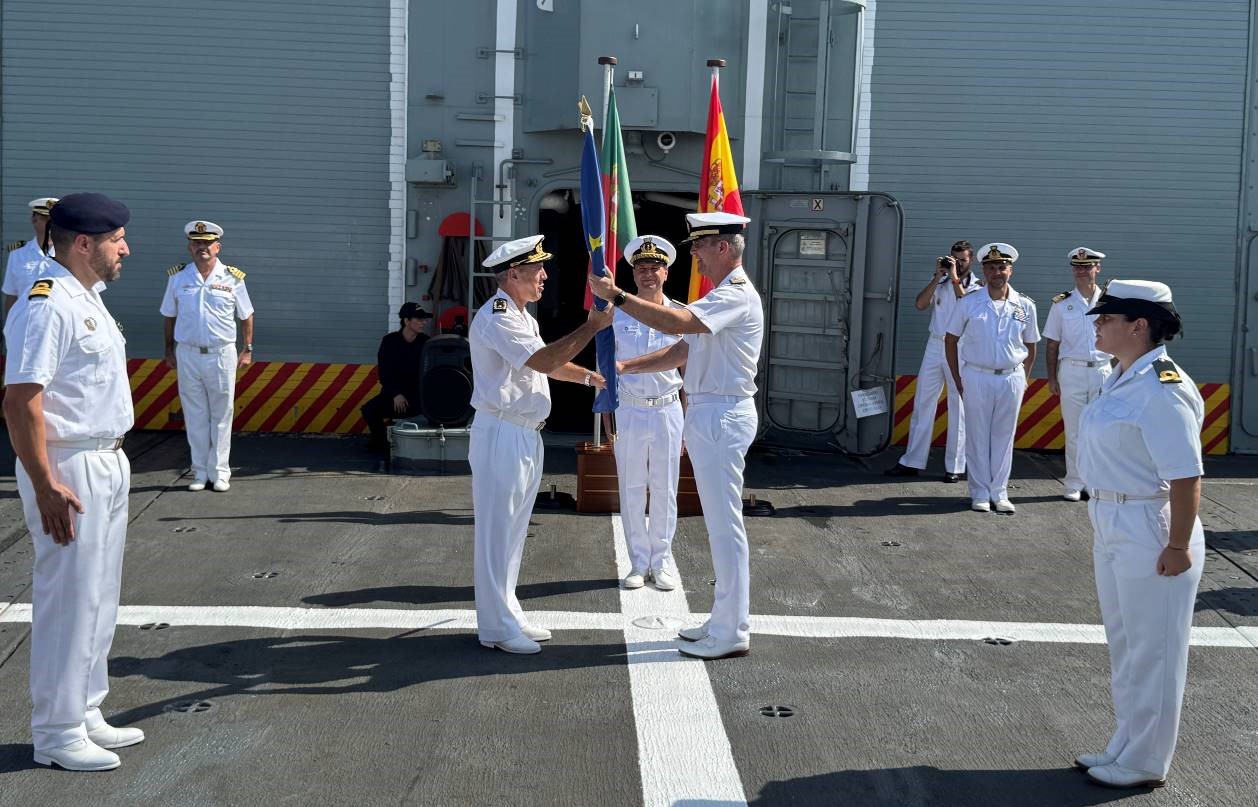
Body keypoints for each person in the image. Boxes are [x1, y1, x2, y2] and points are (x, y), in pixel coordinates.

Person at [2, 192, 142, 772]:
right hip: (68, 465)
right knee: (67, 599)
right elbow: (20, 401)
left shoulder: (87, 298)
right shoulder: (46, 303)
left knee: (99, 596)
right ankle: (56, 732)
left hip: (106, 458)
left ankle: (85, 711)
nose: (125, 249)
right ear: (83, 244)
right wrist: (43, 484)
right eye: (116, 240)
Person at [589, 211, 763, 661]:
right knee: (718, 526)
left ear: (723, 247)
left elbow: (675, 326)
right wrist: (628, 368)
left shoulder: (735, 295)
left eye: (701, 247)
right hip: (709, 413)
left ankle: (733, 630)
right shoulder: (721, 295)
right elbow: (682, 349)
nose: (697, 258)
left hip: (721, 414)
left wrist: (618, 296)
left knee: (725, 529)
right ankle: (723, 619)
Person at [1074, 280, 1203, 789]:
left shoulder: (1163, 388)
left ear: (1139, 325)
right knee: (1127, 645)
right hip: (1112, 521)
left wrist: (1177, 546)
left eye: (1107, 319)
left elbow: (1187, 475)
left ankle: (1147, 760)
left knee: (1156, 651)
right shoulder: (1122, 375)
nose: (1098, 325)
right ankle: (1125, 744)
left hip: (1152, 527)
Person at [470, 234, 609, 655]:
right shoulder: (499, 316)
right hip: (501, 433)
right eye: (538, 269)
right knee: (497, 533)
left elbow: (546, 364)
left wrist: (587, 377)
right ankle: (495, 628)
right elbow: (543, 361)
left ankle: (508, 612)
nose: (545, 276)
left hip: (524, 434)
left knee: (513, 532)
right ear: (514, 273)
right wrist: (591, 326)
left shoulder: (522, 316)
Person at [612, 235, 685, 592]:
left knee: (665, 488)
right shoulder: (617, 314)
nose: (648, 274)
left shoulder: (680, 315)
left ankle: (662, 560)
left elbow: (689, 373)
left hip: (668, 410)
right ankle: (638, 563)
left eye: (655, 268)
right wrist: (610, 421)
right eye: (641, 269)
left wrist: (688, 423)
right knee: (632, 488)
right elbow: (605, 372)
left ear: (666, 273)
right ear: (633, 274)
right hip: (630, 410)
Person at [160, 221, 255, 492]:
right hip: (188, 353)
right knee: (195, 414)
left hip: (221, 354)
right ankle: (200, 472)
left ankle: (221, 472)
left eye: (207, 243)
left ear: (217, 247)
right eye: (196, 243)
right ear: (190, 247)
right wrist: (168, 350)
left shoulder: (233, 278)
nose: (202, 248)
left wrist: (247, 349)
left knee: (222, 415)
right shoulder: (177, 277)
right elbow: (169, 315)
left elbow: (246, 315)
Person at [945, 242, 1039, 514]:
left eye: (1002, 267)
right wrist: (958, 379)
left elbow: (1031, 345)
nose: (998, 272)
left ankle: (1000, 491)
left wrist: (1024, 379)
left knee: (1003, 437)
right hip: (977, 376)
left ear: (1010, 270)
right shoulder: (969, 302)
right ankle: (979, 492)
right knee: (977, 435)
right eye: (992, 267)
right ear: (983, 271)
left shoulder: (1024, 306)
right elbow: (951, 340)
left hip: (1011, 378)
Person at [885, 240, 983, 482]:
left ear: (971, 260)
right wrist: (937, 277)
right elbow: (920, 304)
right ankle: (913, 460)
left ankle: (955, 466)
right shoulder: (941, 282)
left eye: (962, 259)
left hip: (961, 347)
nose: (957, 263)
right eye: (953, 258)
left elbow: (967, 307)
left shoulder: (976, 286)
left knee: (958, 406)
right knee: (923, 402)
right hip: (936, 343)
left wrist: (955, 278)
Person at [1044, 247, 1112, 501]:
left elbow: (1122, 341)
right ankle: (1073, 482)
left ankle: (1095, 483)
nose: (1082, 271)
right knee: (1074, 431)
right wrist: (1052, 378)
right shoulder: (1062, 304)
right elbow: (1052, 344)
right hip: (1072, 370)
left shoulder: (1110, 301)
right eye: (1077, 267)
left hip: (1103, 371)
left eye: (1087, 266)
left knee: (1099, 431)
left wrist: (1121, 375)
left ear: (1098, 269)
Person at [361, 302, 433, 453]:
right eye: (419, 320)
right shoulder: (390, 341)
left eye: (424, 319)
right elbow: (385, 373)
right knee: (369, 410)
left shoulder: (426, 343)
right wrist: (396, 394)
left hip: (417, 396)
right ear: (406, 321)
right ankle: (382, 444)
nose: (423, 323)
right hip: (394, 394)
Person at [3, 197, 58, 318]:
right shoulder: (18, 254)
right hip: (25, 326)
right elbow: (12, 295)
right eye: (45, 219)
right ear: (34, 220)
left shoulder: (73, 254)